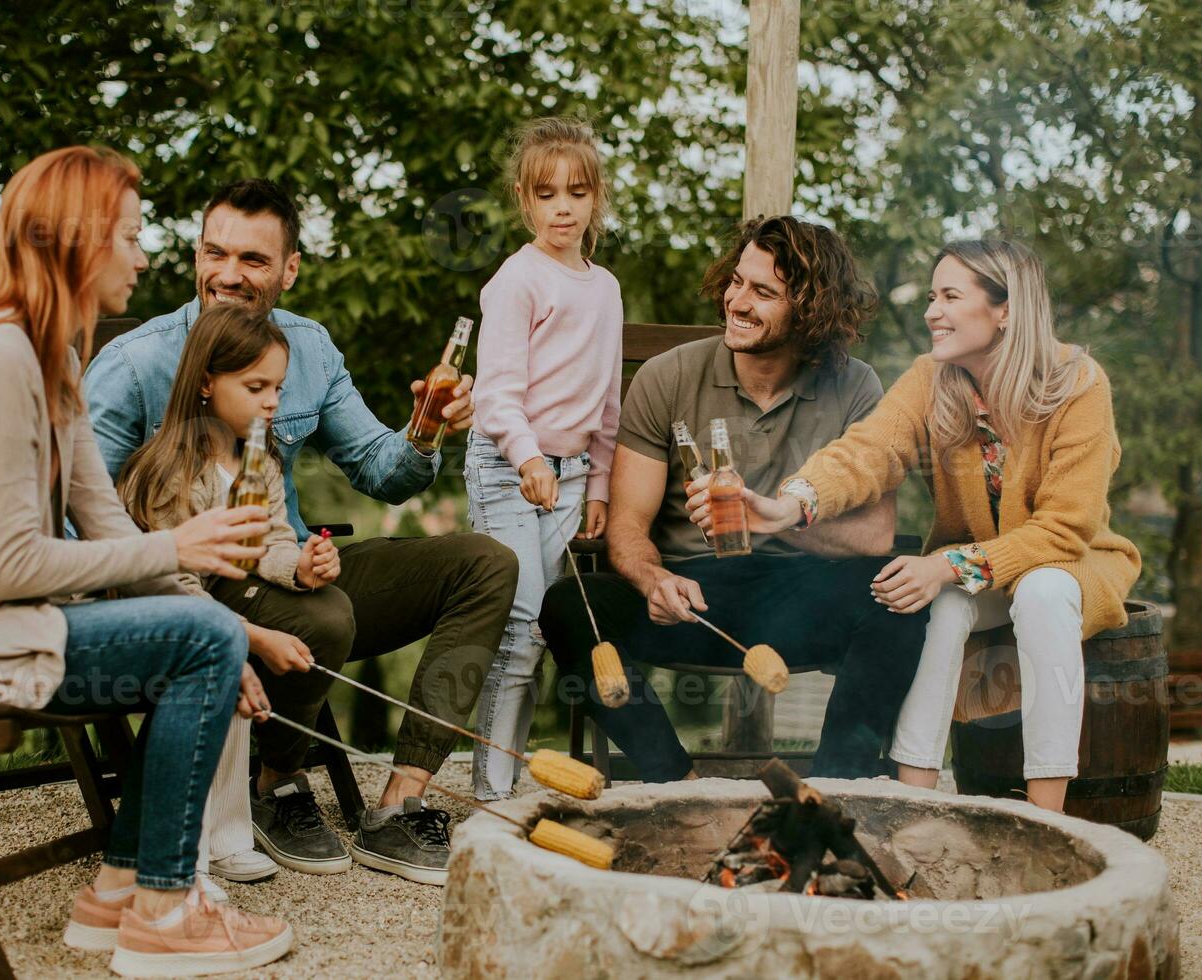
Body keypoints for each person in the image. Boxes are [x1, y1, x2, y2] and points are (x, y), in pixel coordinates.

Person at [0, 146, 294, 975]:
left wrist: (230, 628)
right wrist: (186, 564)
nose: (146, 256)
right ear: (79, 243)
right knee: (201, 640)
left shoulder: (51, 358)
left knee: (205, 633)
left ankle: (118, 892)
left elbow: (106, 523)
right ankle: (163, 912)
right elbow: (10, 565)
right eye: (131, 235)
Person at [83, 179, 517, 886]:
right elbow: (82, 519)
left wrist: (427, 427)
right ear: (195, 253)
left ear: (289, 270)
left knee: (486, 563)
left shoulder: (308, 348)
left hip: (286, 570)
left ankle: (401, 806)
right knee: (326, 613)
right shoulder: (136, 364)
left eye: (253, 259)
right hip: (183, 591)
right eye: (214, 252)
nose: (228, 273)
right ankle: (278, 785)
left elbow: (385, 473)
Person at [716, 239, 1141, 811]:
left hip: (1072, 563)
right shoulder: (932, 377)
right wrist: (788, 504)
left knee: (1040, 591)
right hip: (977, 565)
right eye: (932, 295)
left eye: (949, 296)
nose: (931, 311)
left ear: (1006, 310)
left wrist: (943, 564)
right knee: (935, 605)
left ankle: (1049, 816)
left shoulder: (1078, 384)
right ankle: (911, 803)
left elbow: (1064, 530)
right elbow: (866, 452)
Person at [539, 216, 928, 781]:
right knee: (572, 607)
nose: (736, 301)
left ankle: (835, 788)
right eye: (736, 282)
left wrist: (770, 520)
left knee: (901, 599)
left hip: (804, 590)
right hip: (690, 594)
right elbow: (626, 524)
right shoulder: (668, 376)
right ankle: (676, 783)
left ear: (811, 311)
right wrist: (653, 581)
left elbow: (874, 536)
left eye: (763, 292)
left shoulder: (855, 386)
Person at [115, 303, 351, 890]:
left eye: (277, 387)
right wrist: (256, 635)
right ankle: (188, 847)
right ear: (205, 383)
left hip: (223, 600)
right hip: (159, 610)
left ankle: (227, 834)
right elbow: (171, 581)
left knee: (232, 650)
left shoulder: (259, 461)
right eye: (255, 387)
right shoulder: (170, 470)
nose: (272, 401)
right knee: (223, 654)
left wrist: (301, 565)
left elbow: (267, 543)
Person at [464, 117, 624, 800]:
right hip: (509, 468)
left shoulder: (605, 287)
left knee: (534, 631)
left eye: (577, 192)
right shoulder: (516, 280)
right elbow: (497, 394)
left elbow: (609, 399)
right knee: (520, 624)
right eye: (547, 193)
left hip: (573, 474)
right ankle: (490, 789)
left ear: (597, 199)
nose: (563, 207)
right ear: (525, 202)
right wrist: (528, 457)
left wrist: (601, 483)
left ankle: (510, 768)